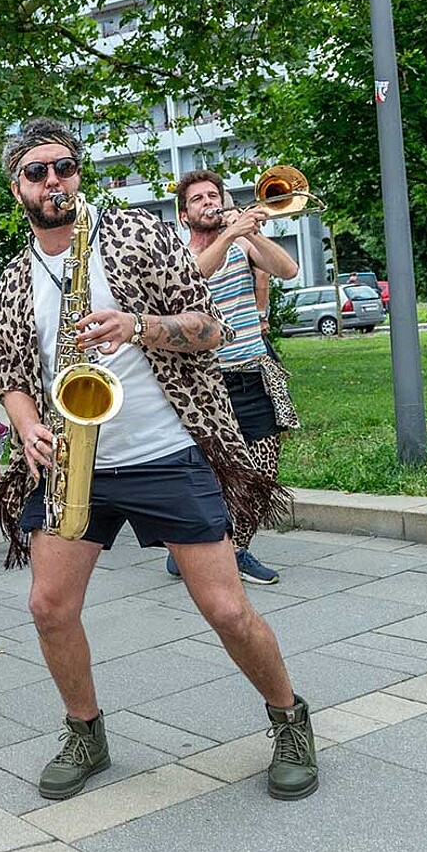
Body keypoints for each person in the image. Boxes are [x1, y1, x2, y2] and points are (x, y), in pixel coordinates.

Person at [0, 117, 316, 803]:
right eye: (37, 172)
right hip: (74, 459)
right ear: (17, 188)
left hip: (163, 449)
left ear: (78, 174)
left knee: (224, 607)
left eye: (63, 168)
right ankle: (85, 731)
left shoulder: (133, 234)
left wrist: (137, 326)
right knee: (48, 606)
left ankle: (290, 719)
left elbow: (206, 328)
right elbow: (5, 369)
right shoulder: (18, 275)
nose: (53, 182)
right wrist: (28, 423)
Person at [175, 169, 302, 585]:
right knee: (209, 476)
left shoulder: (242, 243)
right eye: (198, 199)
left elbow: (288, 270)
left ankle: (238, 550)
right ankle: (198, 547)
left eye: (214, 195)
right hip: (205, 384)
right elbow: (191, 281)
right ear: (183, 215)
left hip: (251, 374)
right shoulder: (178, 253)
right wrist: (229, 237)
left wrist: (250, 234)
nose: (209, 203)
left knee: (262, 472)